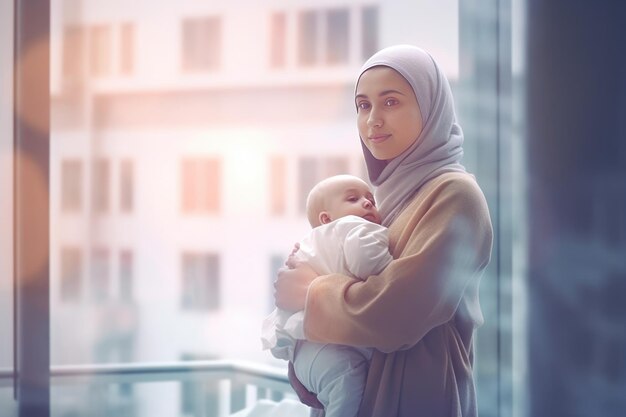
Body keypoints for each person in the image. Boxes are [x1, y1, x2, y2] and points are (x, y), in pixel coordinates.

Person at [274, 44, 493, 417]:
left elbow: (397, 311)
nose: (372, 120)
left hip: (418, 397)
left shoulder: (455, 195)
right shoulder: (381, 196)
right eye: (363, 105)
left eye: (390, 102)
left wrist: (312, 293)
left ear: (429, 107)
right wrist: (309, 363)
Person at [261, 174, 393, 417]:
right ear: (326, 218)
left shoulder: (311, 242)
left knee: (337, 394)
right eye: (353, 198)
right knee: (348, 379)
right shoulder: (353, 227)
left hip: (305, 346)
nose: (367, 203)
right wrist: (392, 262)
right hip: (324, 345)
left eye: (371, 200)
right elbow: (367, 262)